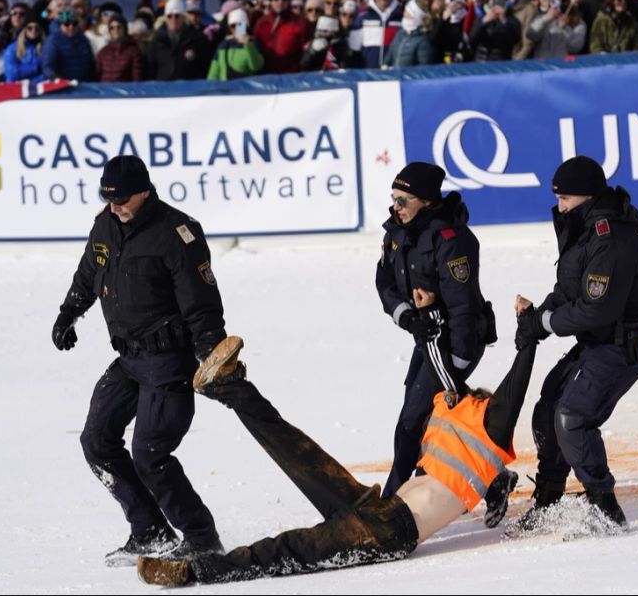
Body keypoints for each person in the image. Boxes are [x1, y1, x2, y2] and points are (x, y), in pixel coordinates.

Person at [137, 289, 540, 587]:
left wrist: (527, 338)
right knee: (295, 449)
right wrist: (427, 313)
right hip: (378, 506)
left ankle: (192, 571)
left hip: (388, 533)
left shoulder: (488, 426)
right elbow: (438, 356)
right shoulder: (453, 408)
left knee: (288, 549)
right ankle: (228, 386)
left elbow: (514, 390)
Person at [52, 155, 228, 567]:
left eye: (123, 199)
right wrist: (68, 313)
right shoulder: (105, 226)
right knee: (96, 441)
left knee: (151, 453)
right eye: (108, 198)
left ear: (145, 190)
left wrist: (212, 352)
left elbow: (202, 302)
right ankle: (149, 531)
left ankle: (201, 536)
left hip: (168, 361)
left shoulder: (176, 233)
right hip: (129, 359)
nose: (115, 206)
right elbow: (87, 274)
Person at [512, 155, 638, 532]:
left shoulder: (612, 239)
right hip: (599, 340)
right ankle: (548, 500)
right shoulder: (583, 231)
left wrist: (548, 322)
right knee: (548, 406)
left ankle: (605, 509)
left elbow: (596, 309)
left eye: (565, 199)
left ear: (585, 197)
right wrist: (537, 318)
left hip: (624, 345)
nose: (559, 207)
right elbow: (568, 291)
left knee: (573, 417)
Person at [374, 162, 515, 527]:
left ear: (426, 200)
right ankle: (495, 477)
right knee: (429, 413)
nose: (396, 206)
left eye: (403, 199)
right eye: (393, 198)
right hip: (426, 337)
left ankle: (389, 505)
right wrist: (408, 316)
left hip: (455, 341)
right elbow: (385, 282)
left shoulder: (452, 240)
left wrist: (455, 361)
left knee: (412, 421)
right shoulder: (397, 231)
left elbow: (462, 308)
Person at [207, 6, 264, 78]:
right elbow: (214, 71)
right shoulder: (223, 45)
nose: (236, 28)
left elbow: (256, 66)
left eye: (240, 25)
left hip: (243, 88)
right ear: (230, 28)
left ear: (246, 26)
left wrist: (248, 45)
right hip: (224, 88)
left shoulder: (254, 44)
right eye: (233, 26)